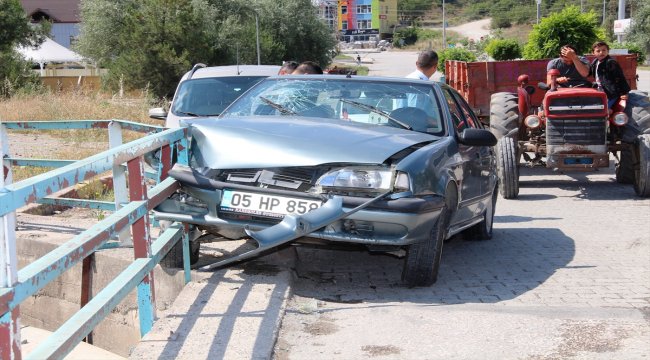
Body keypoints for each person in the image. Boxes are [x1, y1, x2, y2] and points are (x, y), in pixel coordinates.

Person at [589, 41, 631, 109]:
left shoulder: (610, 62)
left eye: (604, 50)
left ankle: (609, 112)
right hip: (600, 90)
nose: (601, 52)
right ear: (593, 53)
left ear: (608, 51)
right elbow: (587, 73)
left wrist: (624, 92)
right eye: (598, 51)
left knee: (603, 109)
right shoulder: (595, 62)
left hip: (611, 92)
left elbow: (619, 77)